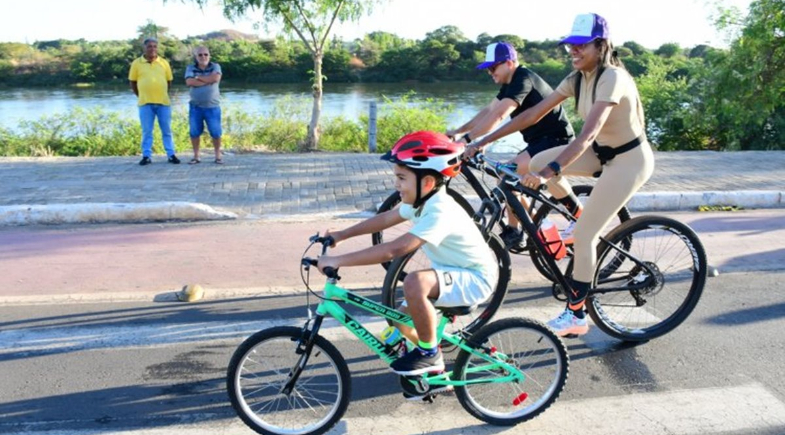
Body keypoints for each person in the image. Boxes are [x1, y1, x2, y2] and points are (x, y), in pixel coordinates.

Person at [471, 13, 655, 337]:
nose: (573, 50)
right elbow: (531, 114)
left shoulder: (612, 78)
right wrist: (482, 141)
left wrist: (549, 172)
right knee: (533, 162)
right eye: (571, 44)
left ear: (601, 45)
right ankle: (577, 213)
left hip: (629, 160)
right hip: (600, 152)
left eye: (581, 45)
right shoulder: (577, 79)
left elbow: (587, 134)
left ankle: (576, 314)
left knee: (584, 237)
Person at [317, 131, 498, 375]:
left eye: (402, 178)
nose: (396, 184)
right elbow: (385, 219)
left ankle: (429, 354)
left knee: (415, 282)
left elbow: (394, 249)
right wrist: (342, 234)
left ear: (427, 182)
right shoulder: (421, 202)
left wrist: (338, 260)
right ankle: (434, 373)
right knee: (400, 322)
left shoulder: (440, 211)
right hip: (451, 272)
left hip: (474, 279)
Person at [450, 41, 575, 250]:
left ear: (509, 63)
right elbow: (489, 111)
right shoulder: (510, 84)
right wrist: (459, 133)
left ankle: (516, 231)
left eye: (493, 67)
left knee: (507, 175)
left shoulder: (523, 79)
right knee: (508, 179)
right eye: (488, 69)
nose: (490, 73)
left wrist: (472, 140)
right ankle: (538, 226)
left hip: (555, 140)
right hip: (538, 142)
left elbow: (500, 115)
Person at [129, 37, 180, 165]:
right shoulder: (136, 63)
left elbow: (169, 82)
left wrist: (161, 92)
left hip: (163, 103)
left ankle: (171, 154)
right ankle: (146, 156)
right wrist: (141, 95)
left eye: (154, 46)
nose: (152, 49)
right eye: (149, 46)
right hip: (145, 103)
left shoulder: (164, 63)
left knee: (167, 130)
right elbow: (133, 82)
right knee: (147, 131)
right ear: (144, 48)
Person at [184, 46, 224, 164]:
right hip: (195, 107)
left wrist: (198, 78)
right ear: (196, 57)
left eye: (206, 54)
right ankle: (196, 156)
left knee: (216, 132)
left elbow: (215, 78)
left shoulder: (215, 66)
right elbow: (189, 82)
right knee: (194, 132)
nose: (203, 57)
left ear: (209, 56)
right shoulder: (190, 68)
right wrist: (207, 80)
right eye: (200, 55)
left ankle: (218, 155)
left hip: (212, 107)